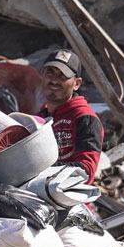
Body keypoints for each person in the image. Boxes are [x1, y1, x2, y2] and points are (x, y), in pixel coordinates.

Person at [38, 50, 103, 180]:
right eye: (50, 73)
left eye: (63, 75)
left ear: (77, 83)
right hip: (35, 192)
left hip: (64, 198)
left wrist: (41, 169)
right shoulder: (38, 118)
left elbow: (86, 171)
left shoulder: (85, 118)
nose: (54, 81)